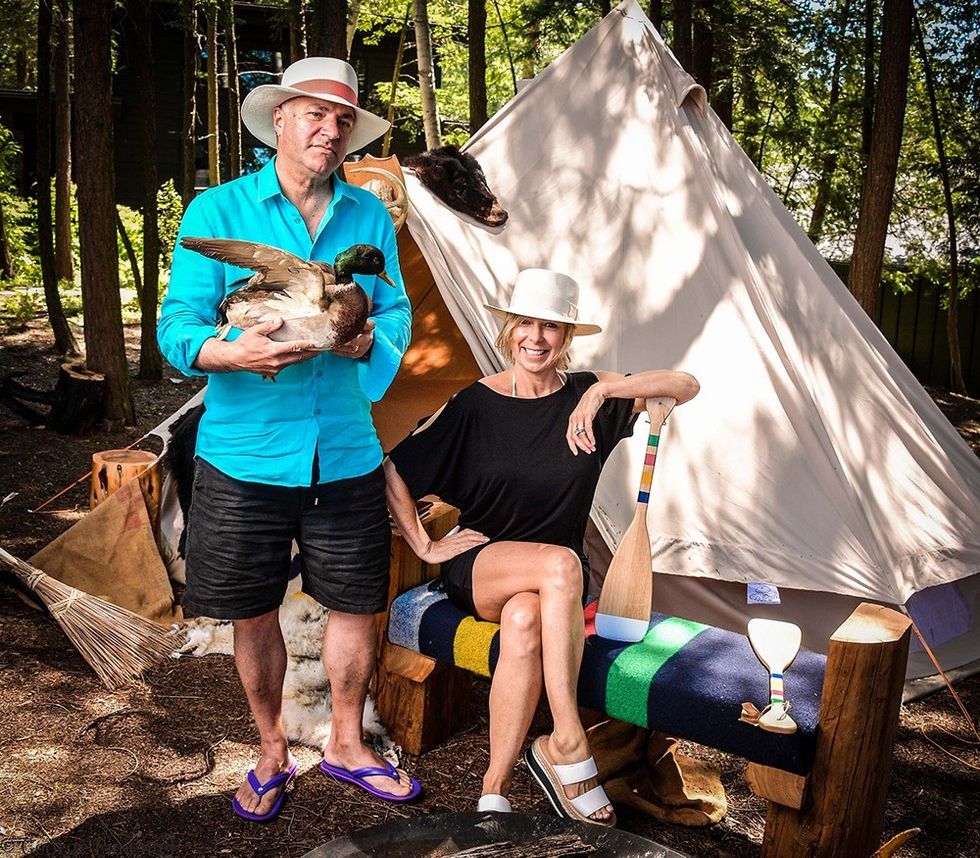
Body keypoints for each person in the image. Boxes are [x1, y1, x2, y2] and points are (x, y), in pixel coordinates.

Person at [158, 57, 418, 823]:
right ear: (279, 120)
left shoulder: (370, 218)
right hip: (244, 453)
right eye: (314, 114)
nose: (329, 130)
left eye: (342, 121)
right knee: (252, 609)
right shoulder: (219, 209)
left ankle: (345, 742)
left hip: (343, 449)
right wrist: (228, 353)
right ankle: (271, 749)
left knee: (353, 603)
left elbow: (395, 311)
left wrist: (366, 342)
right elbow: (178, 325)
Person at [384, 269, 699, 826]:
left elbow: (684, 385)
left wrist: (604, 388)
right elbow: (393, 467)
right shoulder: (474, 404)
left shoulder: (588, 397)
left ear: (567, 336)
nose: (536, 337)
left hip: (551, 587)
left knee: (527, 619)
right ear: (508, 330)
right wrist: (426, 543)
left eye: (551, 326)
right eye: (525, 323)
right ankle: (568, 740)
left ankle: (494, 788)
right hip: (481, 564)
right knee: (560, 562)